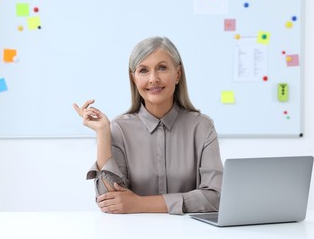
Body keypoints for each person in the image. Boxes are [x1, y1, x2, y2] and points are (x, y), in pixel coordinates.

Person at [73, 36, 223, 215]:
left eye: (162, 68)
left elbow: (215, 197)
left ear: (178, 74)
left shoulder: (202, 127)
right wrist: (103, 132)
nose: (153, 79)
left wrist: (139, 204)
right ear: (133, 78)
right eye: (143, 70)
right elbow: (110, 201)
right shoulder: (119, 129)